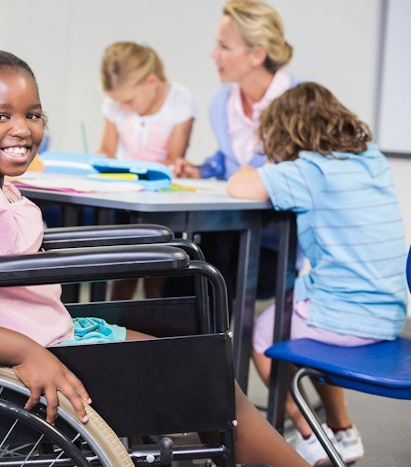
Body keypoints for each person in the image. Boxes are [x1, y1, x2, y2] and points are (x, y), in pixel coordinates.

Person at [0, 47, 307, 466]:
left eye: (32, 115)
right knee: (207, 380)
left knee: (205, 372)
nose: (23, 129)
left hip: (55, 332)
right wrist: (24, 352)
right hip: (38, 351)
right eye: (1, 116)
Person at [226, 82, 408, 465]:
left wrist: (251, 163)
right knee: (297, 311)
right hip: (390, 314)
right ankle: (342, 431)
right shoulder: (371, 159)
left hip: (343, 317)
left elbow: (240, 186)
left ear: (286, 133)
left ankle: (309, 436)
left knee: (265, 332)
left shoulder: (307, 172)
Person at [169, 0, 298, 304]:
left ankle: (213, 350)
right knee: (178, 272)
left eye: (224, 46)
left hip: (272, 243)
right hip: (226, 231)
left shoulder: (298, 104)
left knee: (209, 279)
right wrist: (202, 170)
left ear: (257, 54)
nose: (215, 55)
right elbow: (229, 161)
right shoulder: (222, 100)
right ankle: (183, 349)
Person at [97, 41, 197, 300]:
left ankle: (152, 326)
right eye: (119, 102)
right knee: (123, 270)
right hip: (124, 196)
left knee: (157, 273)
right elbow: (106, 150)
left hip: (161, 198)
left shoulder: (179, 100)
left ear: (152, 81)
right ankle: (116, 328)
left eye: (129, 100)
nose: (125, 107)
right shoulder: (116, 103)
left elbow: (174, 159)